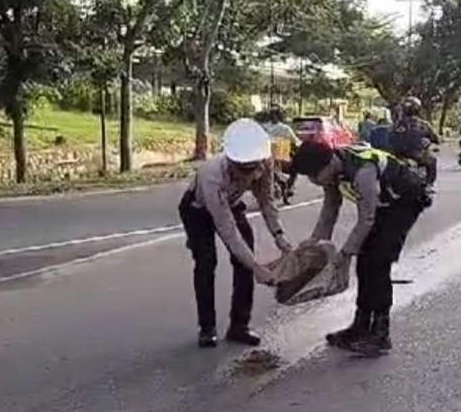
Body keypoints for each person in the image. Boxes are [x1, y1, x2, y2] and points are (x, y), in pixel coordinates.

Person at [291, 141, 430, 357]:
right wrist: (315, 243)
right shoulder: (334, 172)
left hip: (404, 203)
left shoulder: (363, 170)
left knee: (377, 262)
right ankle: (360, 326)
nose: (313, 181)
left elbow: (366, 218)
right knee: (364, 263)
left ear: (328, 164)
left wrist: (345, 254)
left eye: (314, 175)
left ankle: (381, 334)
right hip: (383, 205)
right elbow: (330, 210)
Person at [179, 118, 293, 349]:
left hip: (232, 203)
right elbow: (228, 232)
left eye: (253, 170)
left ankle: (239, 326)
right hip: (198, 210)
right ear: (231, 162)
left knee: (244, 260)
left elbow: (267, 201)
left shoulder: (266, 162)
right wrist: (257, 268)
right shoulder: (212, 175)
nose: (248, 177)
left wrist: (279, 236)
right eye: (242, 171)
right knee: (206, 262)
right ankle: (207, 328)